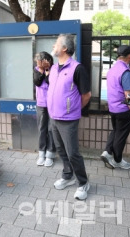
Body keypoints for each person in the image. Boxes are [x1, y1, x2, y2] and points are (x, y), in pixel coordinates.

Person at [47, 34, 91, 200]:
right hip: (54, 117)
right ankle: (68, 175)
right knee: (60, 150)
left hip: (68, 119)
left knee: (73, 153)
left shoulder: (77, 68)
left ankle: (83, 182)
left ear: (64, 48)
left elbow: (86, 95)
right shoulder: (53, 68)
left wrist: (72, 109)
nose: (53, 45)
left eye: (56, 43)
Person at [101, 45, 130, 170]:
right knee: (121, 136)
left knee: (116, 131)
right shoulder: (125, 72)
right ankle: (117, 160)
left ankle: (107, 152)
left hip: (113, 108)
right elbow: (128, 94)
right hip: (124, 109)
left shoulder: (112, 70)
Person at [33, 51, 56, 167]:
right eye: (38, 61)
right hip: (41, 104)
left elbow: (52, 83)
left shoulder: (55, 70)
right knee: (42, 128)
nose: (38, 63)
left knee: (51, 129)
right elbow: (37, 82)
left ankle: (50, 154)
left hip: (53, 104)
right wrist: (42, 71)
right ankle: (41, 153)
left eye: (40, 60)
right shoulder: (37, 70)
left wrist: (48, 73)